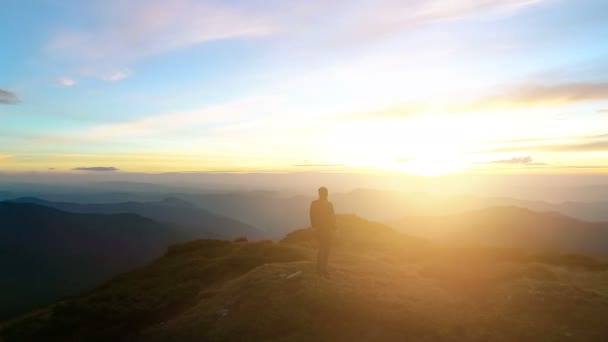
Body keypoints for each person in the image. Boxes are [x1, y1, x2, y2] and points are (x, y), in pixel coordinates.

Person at [309, 186, 336, 278]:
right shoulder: (329, 205)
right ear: (326, 194)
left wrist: (314, 227)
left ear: (319, 194)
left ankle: (319, 269)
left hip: (318, 230)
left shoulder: (314, 204)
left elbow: (311, 216)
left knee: (321, 249)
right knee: (326, 250)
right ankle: (323, 270)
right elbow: (332, 218)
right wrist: (335, 228)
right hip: (327, 230)